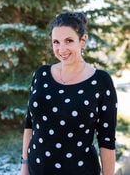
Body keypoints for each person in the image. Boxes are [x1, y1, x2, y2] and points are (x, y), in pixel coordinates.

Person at [20, 12, 117, 175]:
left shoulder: (101, 81)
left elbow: (106, 139)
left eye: (69, 41)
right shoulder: (41, 74)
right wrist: (24, 166)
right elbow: (30, 123)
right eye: (56, 42)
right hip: (37, 169)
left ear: (83, 40)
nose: (61, 49)